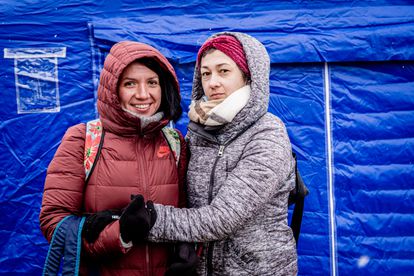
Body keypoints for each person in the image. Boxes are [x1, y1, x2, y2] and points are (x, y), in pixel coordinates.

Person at [130, 32, 299, 275]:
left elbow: (222, 218)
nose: (212, 82)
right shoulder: (198, 131)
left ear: (248, 75)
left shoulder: (267, 134)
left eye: (224, 71)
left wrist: (151, 219)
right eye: (206, 73)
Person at [39, 41, 194, 275]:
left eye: (152, 83)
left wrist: (188, 252)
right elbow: (55, 222)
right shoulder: (83, 140)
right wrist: (120, 234)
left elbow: (187, 214)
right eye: (130, 83)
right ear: (112, 89)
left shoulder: (174, 142)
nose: (143, 94)